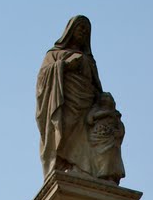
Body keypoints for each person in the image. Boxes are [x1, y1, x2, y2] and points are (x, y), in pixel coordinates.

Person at [36, 16, 106, 178]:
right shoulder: (54, 55)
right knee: (65, 128)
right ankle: (65, 163)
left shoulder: (89, 61)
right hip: (65, 102)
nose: (82, 32)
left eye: (86, 30)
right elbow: (42, 79)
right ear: (70, 31)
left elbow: (96, 87)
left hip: (85, 103)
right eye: (79, 28)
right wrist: (65, 65)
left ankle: (83, 168)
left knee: (83, 135)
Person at [87, 92, 125, 183]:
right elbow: (89, 119)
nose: (106, 99)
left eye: (108, 97)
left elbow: (120, 126)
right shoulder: (96, 109)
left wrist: (119, 133)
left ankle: (110, 177)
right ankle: (98, 174)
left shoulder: (116, 114)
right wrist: (106, 113)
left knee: (111, 155)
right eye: (104, 97)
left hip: (110, 138)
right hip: (97, 137)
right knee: (99, 156)